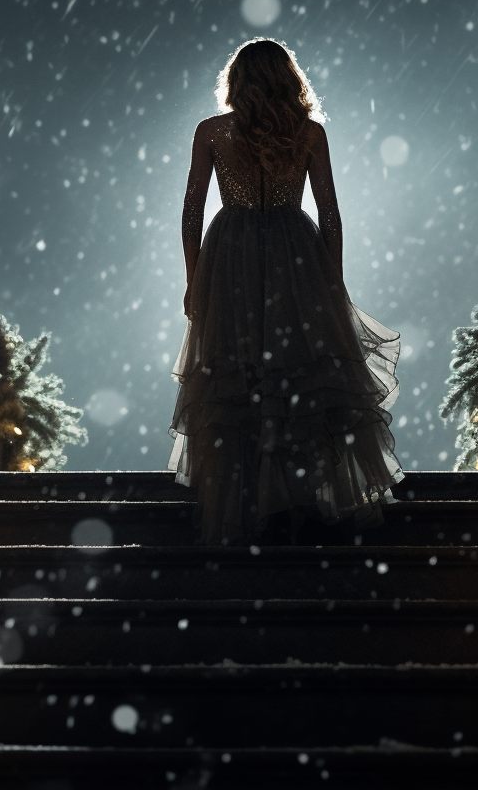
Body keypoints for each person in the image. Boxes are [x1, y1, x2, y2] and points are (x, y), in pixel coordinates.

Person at [168, 38, 403, 546]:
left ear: (236, 79)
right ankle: (299, 498)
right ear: (288, 77)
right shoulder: (309, 134)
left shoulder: (211, 132)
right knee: (297, 373)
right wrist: (332, 280)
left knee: (235, 372)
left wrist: (193, 278)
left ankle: (243, 501)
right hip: (295, 253)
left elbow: (190, 214)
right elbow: (330, 214)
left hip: (228, 253)